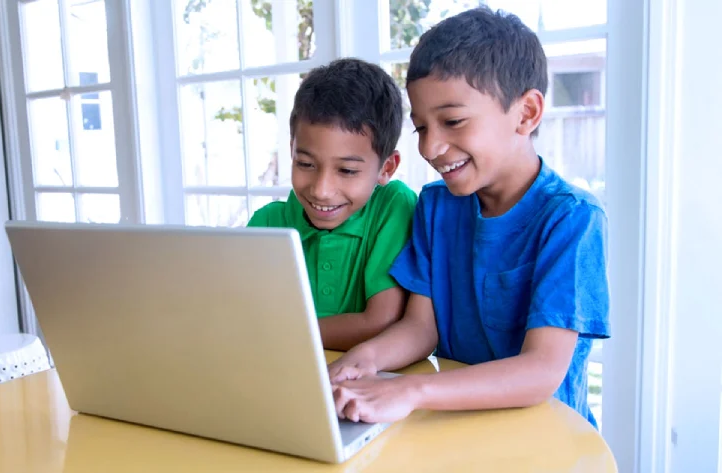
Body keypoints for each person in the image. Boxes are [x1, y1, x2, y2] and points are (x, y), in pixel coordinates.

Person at [327, 7, 611, 429]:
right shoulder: (437, 205)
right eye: (421, 127)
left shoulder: (571, 219)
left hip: (546, 438)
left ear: (527, 113)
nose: (431, 147)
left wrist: (410, 391)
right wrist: (363, 360)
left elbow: (541, 372)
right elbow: (421, 328)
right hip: (458, 425)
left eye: (453, 121)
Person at [247, 58, 418, 351]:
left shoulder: (393, 206)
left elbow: (382, 320)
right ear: (291, 149)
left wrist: (277, 335)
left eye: (347, 171)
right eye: (305, 163)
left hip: (370, 386)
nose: (322, 190)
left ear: (386, 168)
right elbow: (243, 320)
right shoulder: (266, 224)